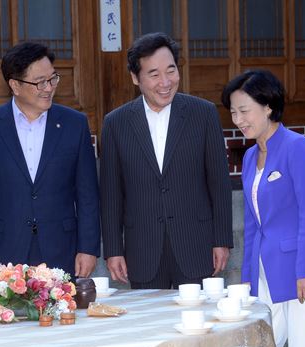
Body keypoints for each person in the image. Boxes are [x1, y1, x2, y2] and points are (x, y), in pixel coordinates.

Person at [221, 69, 305, 347]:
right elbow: (253, 224)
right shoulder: (250, 156)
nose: (238, 120)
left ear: (268, 107)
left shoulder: (298, 148)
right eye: (233, 113)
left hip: (304, 273)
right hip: (266, 272)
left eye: (244, 111)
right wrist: (248, 277)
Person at [100, 32, 233, 289]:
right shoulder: (116, 123)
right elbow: (111, 194)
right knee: (151, 325)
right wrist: (113, 249)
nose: (165, 82)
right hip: (143, 248)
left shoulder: (202, 114)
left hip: (196, 243)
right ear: (135, 78)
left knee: (198, 324)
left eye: (170, 71)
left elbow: (219, 182)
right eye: (154, 74)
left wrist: (222, 240)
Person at [0, 42, 100, 277]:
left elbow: (87, 194)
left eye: (53, 79)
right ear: (15, 85)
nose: (48, 88)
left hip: (61, 249)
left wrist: (88, 248)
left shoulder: (74, 124)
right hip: (3, 250)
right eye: (40, 82)